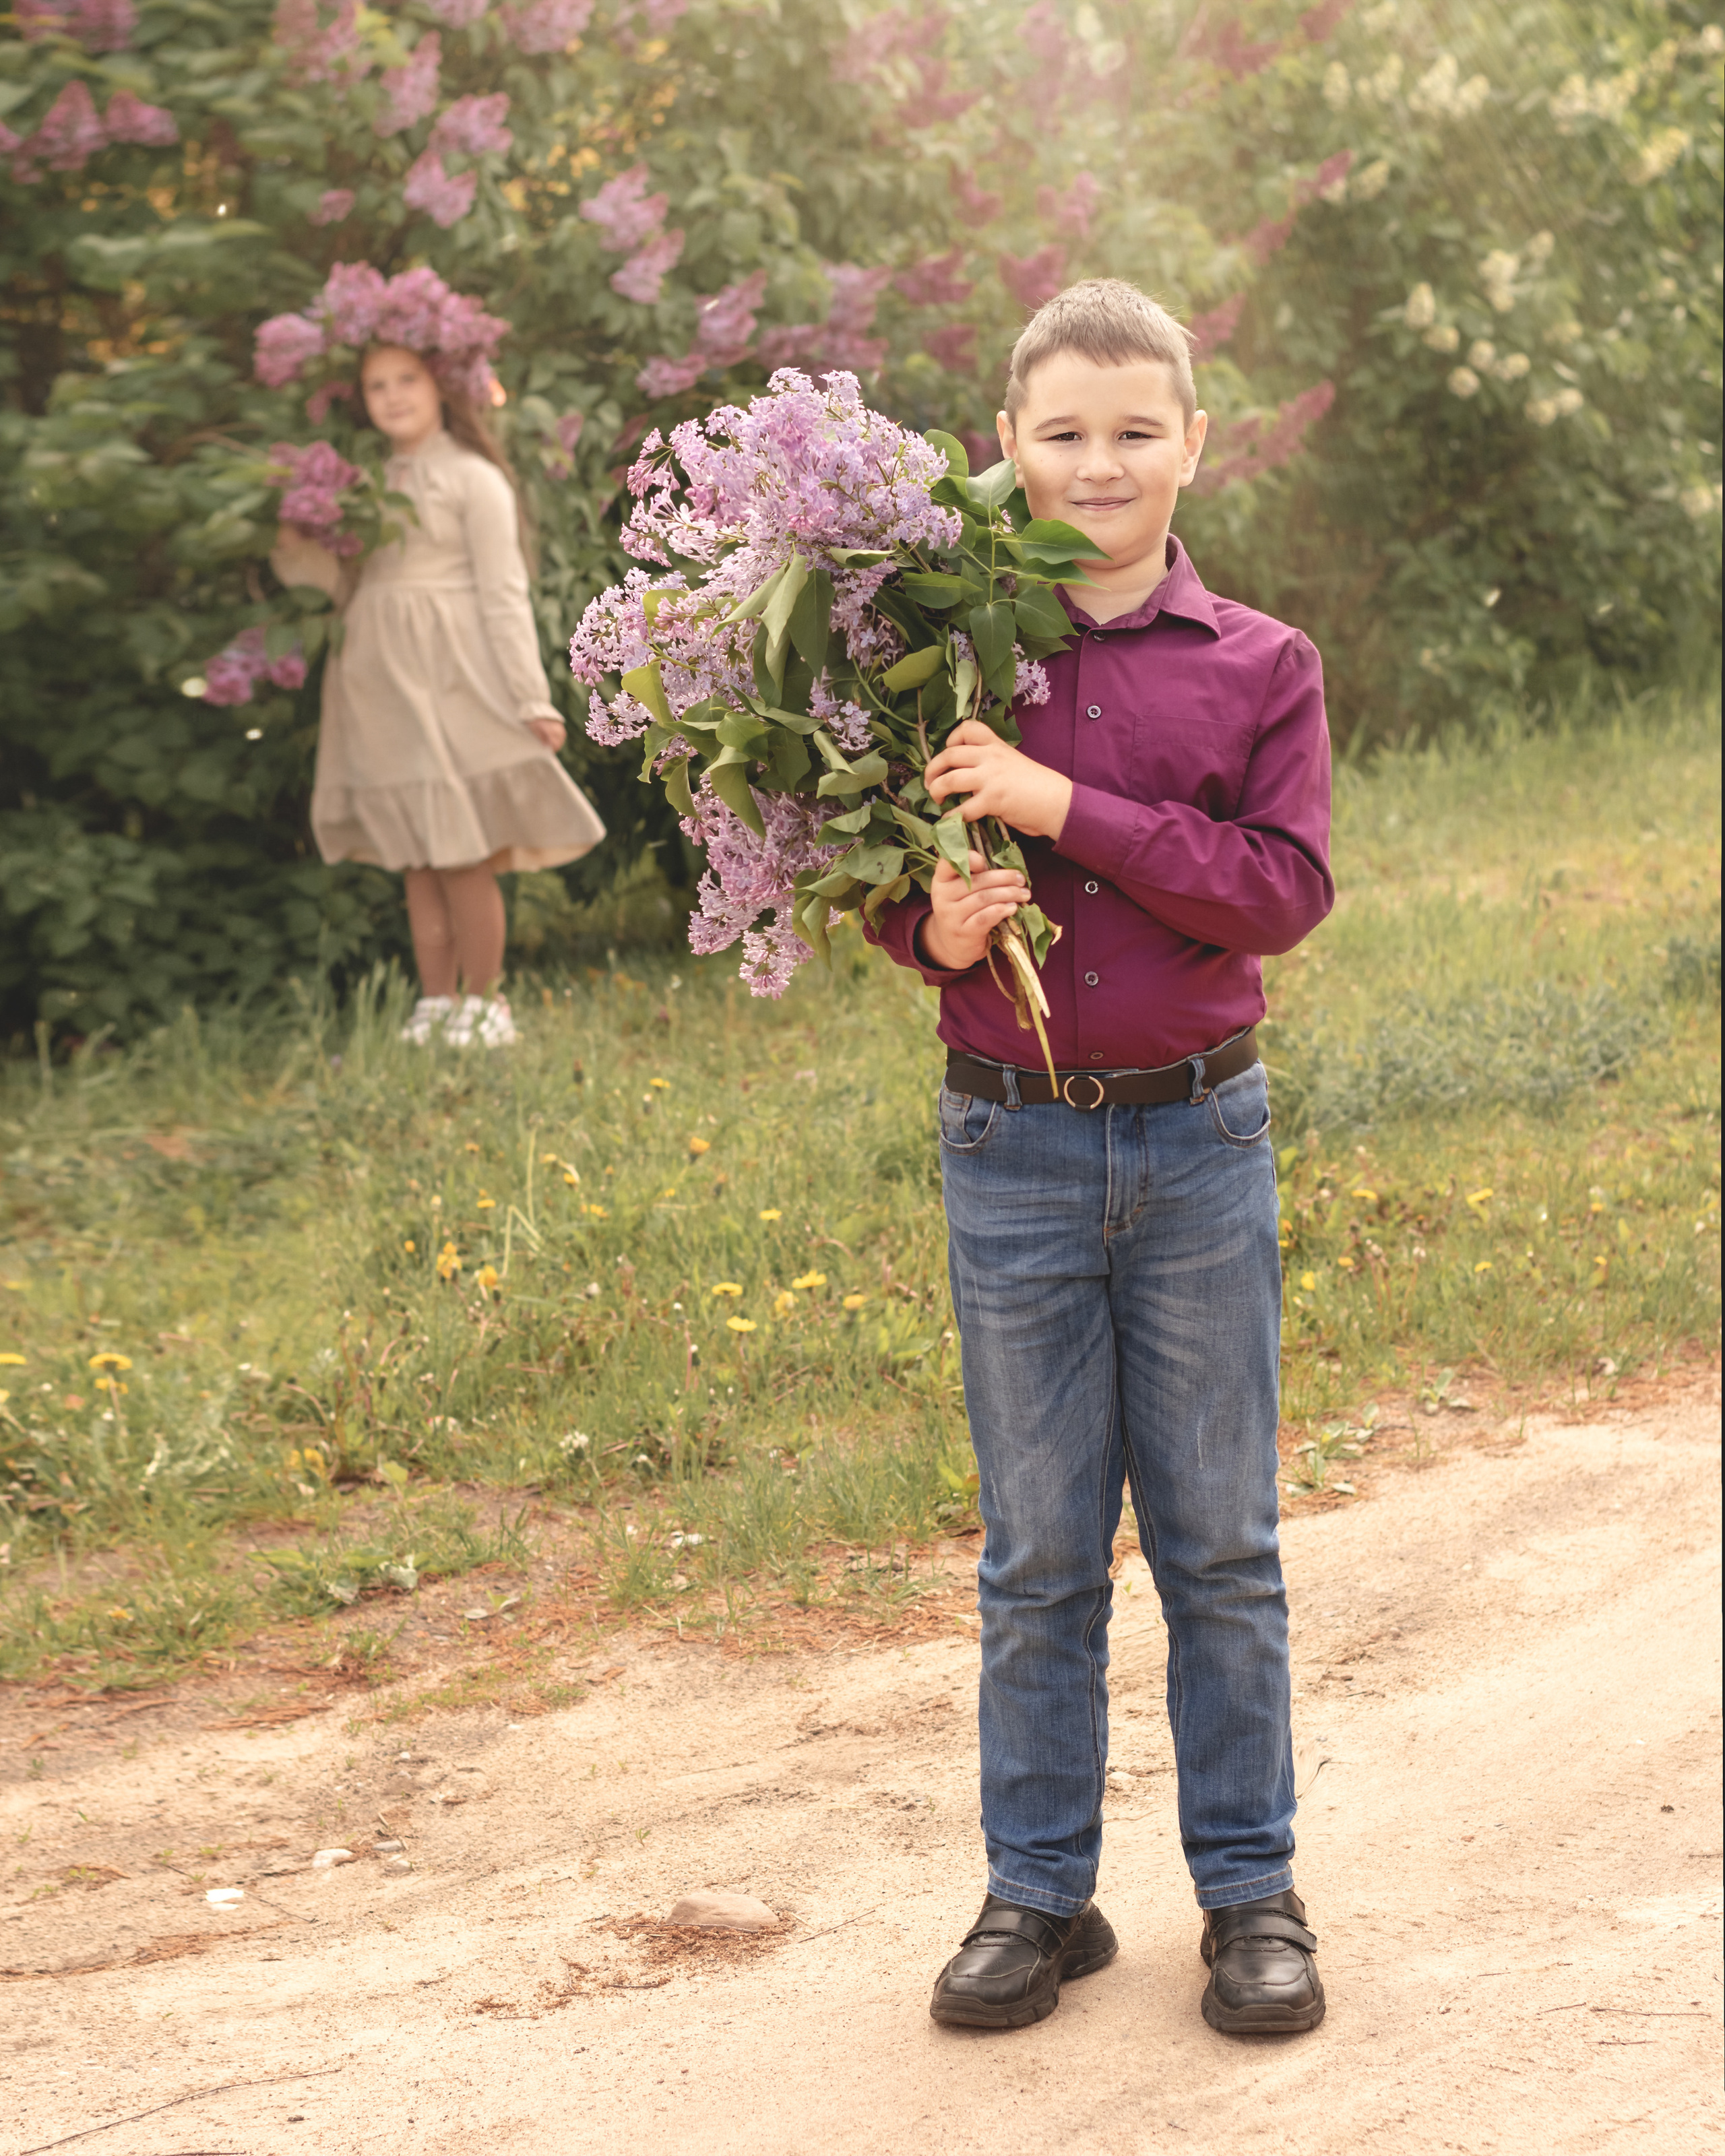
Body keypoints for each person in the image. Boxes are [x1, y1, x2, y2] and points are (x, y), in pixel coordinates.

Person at [865, 278, 1336, 2035]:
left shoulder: (1259, 664)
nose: (1101, 461)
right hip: (1011, 1154)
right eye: (1063, 432)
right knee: (1040, 1552)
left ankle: (1251, 1894)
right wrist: (942, 932)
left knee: (1218, 1543)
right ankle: (1040, 1897)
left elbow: (1281, 888)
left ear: (1194, 446)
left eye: (1137, 430)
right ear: (1008, 449)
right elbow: (877, 889)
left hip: (1201, 1142)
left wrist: (1070, 814)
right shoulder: (949, 657)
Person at [272, 342, 604, 1047]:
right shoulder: (363, 486)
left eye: (407, 380)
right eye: (375, 385)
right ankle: (436, 1003)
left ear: (440, 387)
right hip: (378, 678)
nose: (392, 395)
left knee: (459, 847)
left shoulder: (472, 477)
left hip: (451, 676)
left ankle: (486, 1002)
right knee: (415, 848)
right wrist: (297, 540)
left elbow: (503, 593)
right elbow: (343, 587)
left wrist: (529, 695)